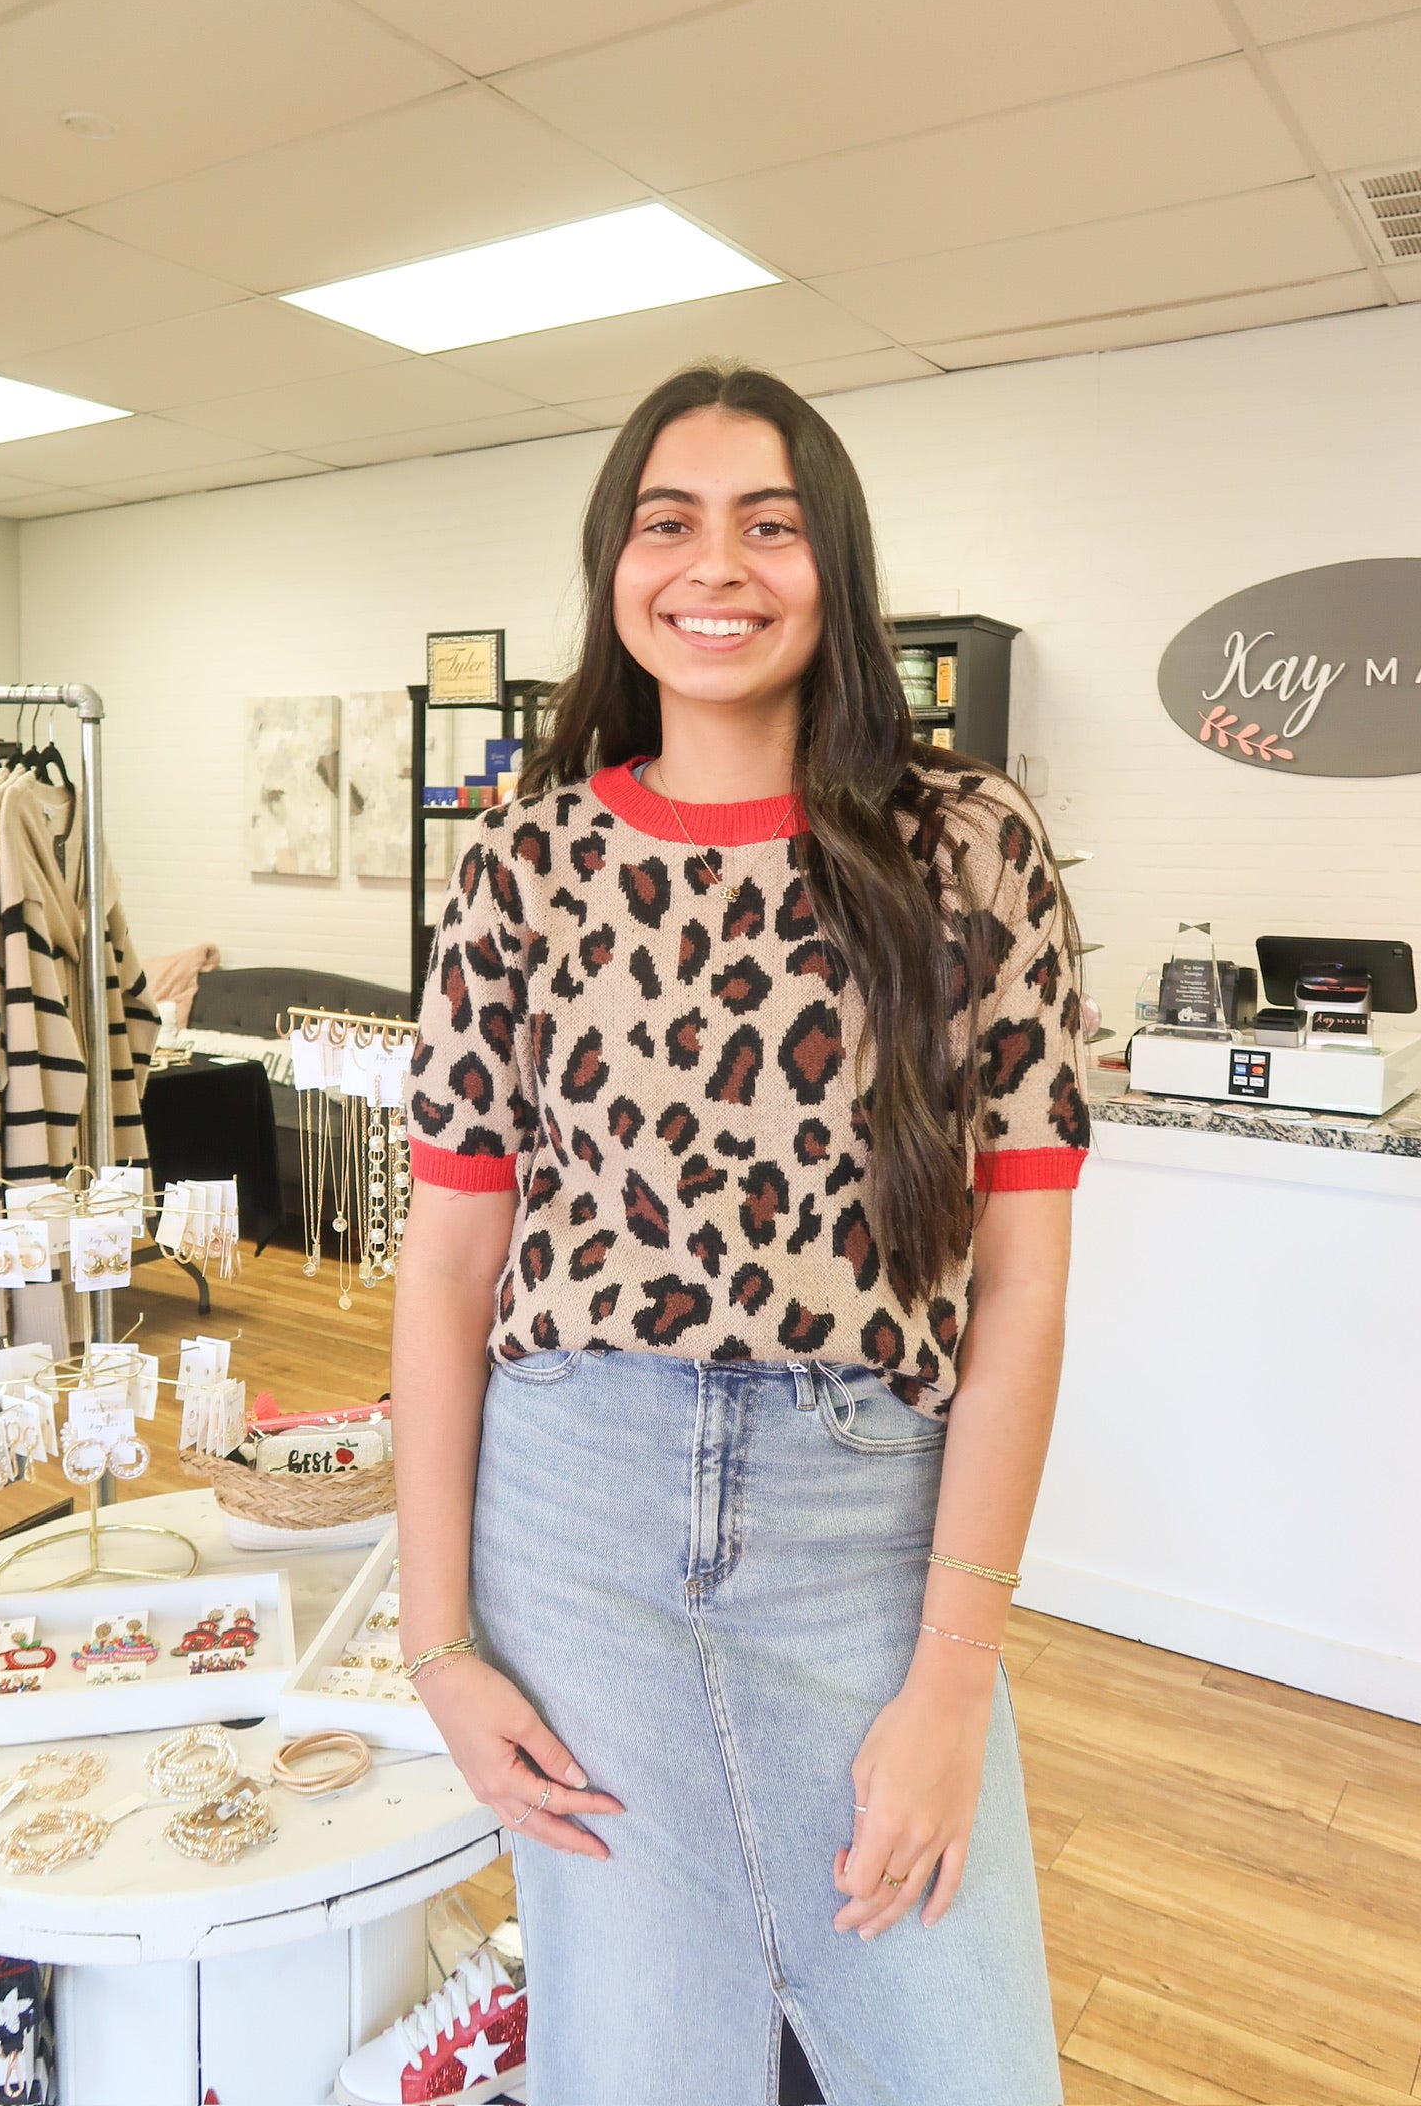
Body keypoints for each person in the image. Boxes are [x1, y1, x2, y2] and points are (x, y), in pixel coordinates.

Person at [390, 364, 1087, 2106]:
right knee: (645, 2073)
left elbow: (1023, 1292)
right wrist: (437, 1639)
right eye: (669, 523)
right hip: (572, 1529)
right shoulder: (523, 863)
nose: (718, 568)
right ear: (615, 572)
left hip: (867, 1542)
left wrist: (953, 1680)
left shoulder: (965, 850)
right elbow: (450, 1263)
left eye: (771, 526)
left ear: (833, 570)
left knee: (963, 2065)